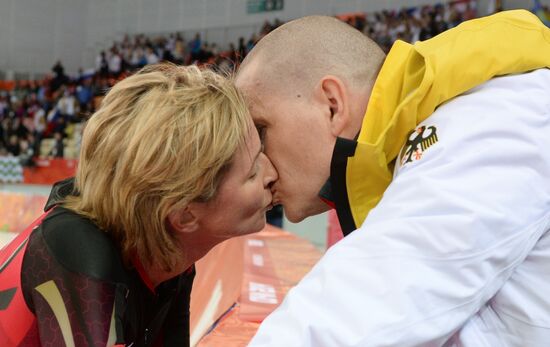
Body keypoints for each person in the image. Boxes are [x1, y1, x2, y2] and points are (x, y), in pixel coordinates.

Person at [236, 10, 550, 346]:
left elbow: (372, 302)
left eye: (261, 132)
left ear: (331, 104)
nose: (257, 165)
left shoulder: (492, 117)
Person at [0, 63, 277, 347]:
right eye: (253, 171)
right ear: (184, 214)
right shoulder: (78, 251)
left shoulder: (168, 253)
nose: (273, 175)